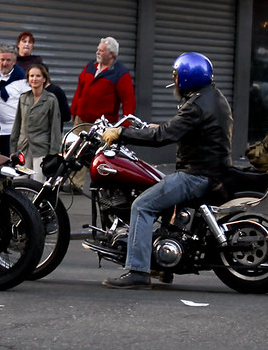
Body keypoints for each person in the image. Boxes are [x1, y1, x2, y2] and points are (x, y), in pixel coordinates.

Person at [99, 52, 233, 289]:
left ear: (187, 77)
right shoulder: (212, 97)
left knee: (141, 206)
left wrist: (122, 133)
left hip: (197, 174)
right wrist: (157, 127)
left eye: (176, 75)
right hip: (211, 169)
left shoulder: (197, 105)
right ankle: (161, 265)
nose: (174, 79)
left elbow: (162, 137)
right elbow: (182, 129)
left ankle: (137, 271)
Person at [68, 36, 136, 190]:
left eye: (101, 50)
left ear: (111, 54)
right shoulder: (89, 67)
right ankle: (74, 184)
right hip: (81, 119)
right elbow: (80, 90)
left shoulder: (121, 74)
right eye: (98, 49)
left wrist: (125, 125)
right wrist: (74, 110)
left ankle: (99, 185)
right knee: (75, 150)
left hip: (102, 124)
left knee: (97, 155)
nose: (97, 52)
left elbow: (128, 101)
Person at [10, 63, 62, 182]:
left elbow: (55, 128)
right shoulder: (23, 98)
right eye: (31, 76)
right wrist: (13, 149)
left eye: (38, 76)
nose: (34, 79)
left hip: (41, 148)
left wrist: (53, 153)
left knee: (38, 182)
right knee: (19, 181)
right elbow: (17, 124)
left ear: (44, 78)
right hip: (23, 147)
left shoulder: (51, 99)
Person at [0, 44, 30, 156]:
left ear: (14, 61)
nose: (5, 63)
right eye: (2, 59)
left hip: (12, 132)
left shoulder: (23, 80)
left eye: (8, 60)